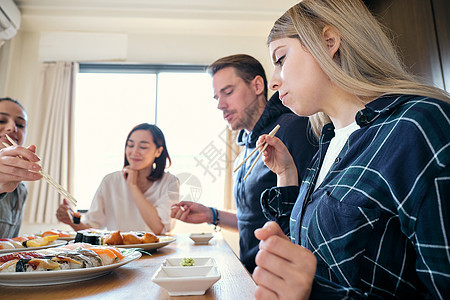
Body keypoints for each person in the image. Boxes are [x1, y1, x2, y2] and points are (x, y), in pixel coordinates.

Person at [252, 0, 450, 299]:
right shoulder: (328, 142)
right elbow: (305, 252)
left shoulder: (418, 126)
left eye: (280, 59)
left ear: (328, 41)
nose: (275, 83)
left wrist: (315, 294)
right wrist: (286, 174)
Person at [171, 54, 318, 273]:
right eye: (216, 98)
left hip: (282, 276)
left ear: (258, 85)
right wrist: (210, 215)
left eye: (228, 92)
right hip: (251, 273)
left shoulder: (291, 129)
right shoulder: (244, 148)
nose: (220, 105)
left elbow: (305, 218)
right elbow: (253, 223)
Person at [56, 123, 180, 234]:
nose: (134, 152)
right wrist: (72, 222)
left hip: (156, 254)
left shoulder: (170, 182)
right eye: (130, 145)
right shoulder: (110, 181)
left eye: (143, 147)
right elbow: (92, 229)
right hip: (119, 253)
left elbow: (158, 228)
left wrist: (133, 186)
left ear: (158, 151)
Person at [0, 97, 43, 238]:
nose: (12, 127)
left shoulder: (20, 188)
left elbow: (11, 245)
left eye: (20, 124)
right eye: (1, 120)